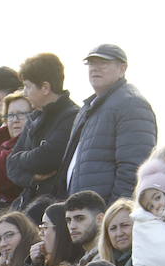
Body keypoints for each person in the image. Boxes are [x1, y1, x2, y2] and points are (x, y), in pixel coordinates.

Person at [61, 44, 158, 204]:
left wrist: (112, 214)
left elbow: (134, 167)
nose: (95, 68)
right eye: (91, 63)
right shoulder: (89, 108)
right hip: (82, 213)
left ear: (122, 68)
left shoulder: (131, 104)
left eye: (103, 63)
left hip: (105, 217)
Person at [4, 53, 80, 212]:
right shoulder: (35, 117)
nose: (24, 92)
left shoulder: (71, 117)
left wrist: (20, 158)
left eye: (28, 86)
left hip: (53, 207)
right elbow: (10, 164)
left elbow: (46, 158)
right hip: (29, 203)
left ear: (45, 88)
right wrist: (31, 178)